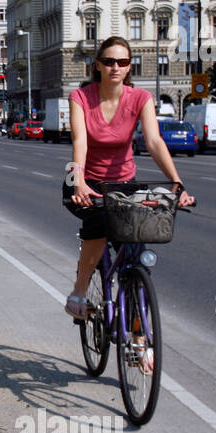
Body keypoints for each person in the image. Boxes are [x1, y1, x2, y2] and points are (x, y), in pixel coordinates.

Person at [63, 36, 193, 319]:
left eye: (122, 62)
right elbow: (79, 141)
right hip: (86, 178)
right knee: (98, 223)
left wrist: (176, 183)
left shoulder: (140, 98)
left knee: (135, 248)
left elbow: (155, 141)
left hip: (122, 183)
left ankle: (139, 334)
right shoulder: (81, 97)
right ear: (97, 65)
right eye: (108, 62)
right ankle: (80, 289)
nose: (115, 67)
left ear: (129, 66)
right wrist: (80, 181)